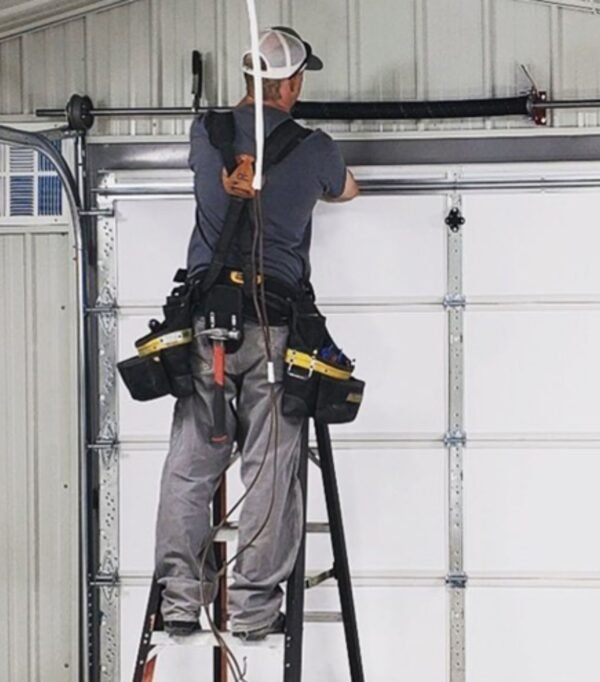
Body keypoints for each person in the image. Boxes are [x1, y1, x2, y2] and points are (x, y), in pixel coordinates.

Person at [152, 26, 359, 641]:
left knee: (190, 470)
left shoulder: (207, 134)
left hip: (206, 332)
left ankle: (180, 604)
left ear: (249, 80)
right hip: (271, 331)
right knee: (269, 473)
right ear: (292, 84)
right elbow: (348, 190)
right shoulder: (315, 147)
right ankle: (253, 611)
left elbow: (216, 178)